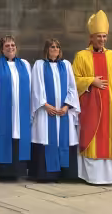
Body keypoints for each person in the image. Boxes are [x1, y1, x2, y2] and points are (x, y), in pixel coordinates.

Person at [72, 10, 112, 184]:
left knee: (110, 136)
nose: (102, 40)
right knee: (91, 137)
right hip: (90, 106)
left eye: (104, 36)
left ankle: (110, 176)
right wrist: (91, 81)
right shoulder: (81, 56)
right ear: (91, 37)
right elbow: (73, 80)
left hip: (110, 106)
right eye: (99, 36)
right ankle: (91, 177)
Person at [29, 39, 80, 182]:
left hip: (63, 113)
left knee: (64, 139)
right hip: (46, 112)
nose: (55, 49)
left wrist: (66, 106)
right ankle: (45, 174)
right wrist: (45, 105)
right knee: (45, 137)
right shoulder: (39, 65)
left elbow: (72, 88)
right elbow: (36, 88)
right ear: (46, 49)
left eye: (58, 47)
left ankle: (65, 174)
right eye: (52, 47)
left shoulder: (66, 65)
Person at [0, 35, 31, 178]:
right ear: (2, 49)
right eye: (7, 46)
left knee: (17, 135)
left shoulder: (25, 64)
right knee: (0, 135)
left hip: (19, 111)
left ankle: (16, 170)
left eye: (13, 45)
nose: (11, 48)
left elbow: (30, 87)